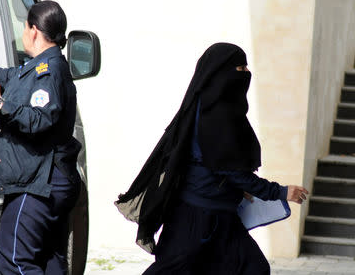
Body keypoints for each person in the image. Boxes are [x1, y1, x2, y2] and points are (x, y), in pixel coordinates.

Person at [115, 43, 309, 274]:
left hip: (219, 215)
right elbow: (229, 168)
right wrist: (280, 191)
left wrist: (234, 186)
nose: (246, 74)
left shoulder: (212, 109)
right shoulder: (215, 115)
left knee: (252, 268)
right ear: (222, 73)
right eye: (240, 68)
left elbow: (218, 164)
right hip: (196, 217)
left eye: (247, 67)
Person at [0, 0, 81, 275]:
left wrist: (1, 104)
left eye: (24, 27)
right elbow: (7, 76)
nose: (22, 33)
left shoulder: (50, 71)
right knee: (49, 262)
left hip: (40, 184)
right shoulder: (37, 67)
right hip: (49, 181)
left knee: (15, 260)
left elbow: (40, 119)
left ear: (34, 31)